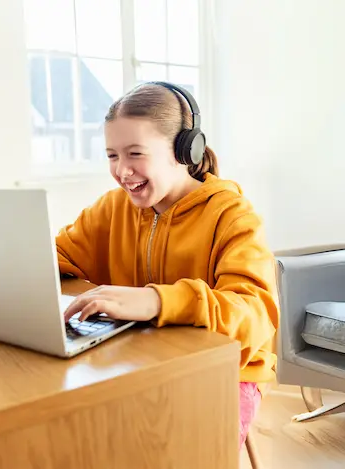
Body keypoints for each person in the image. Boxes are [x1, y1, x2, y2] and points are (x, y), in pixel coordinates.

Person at [56, 82, 279, 449]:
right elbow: (59, 255)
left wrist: (157, 301)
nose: (122, 171)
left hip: (227, 373)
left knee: (179, 446)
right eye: (112, 155)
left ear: (183, 150)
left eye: (135, 153)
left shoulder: (233, 216)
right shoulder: (112, 208)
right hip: (139, 361)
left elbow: (254, 316)